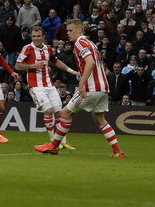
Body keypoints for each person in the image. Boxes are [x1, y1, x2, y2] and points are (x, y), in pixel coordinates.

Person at [34, 19, 125, 157]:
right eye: (67, 31)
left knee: (65, 113)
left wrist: (81, 83)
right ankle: (118, 151)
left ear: (79, 30)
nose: (68, 33)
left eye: (70, 30)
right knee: (99, 118)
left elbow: (90, 62)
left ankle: (53, 146)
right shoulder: (91, 44)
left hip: (91, 87)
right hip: (103, 87)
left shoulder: (80, 43)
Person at [15, 26, 79, 148]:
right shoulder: (27, 48)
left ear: (43, 37)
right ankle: (53, 141)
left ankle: (63, 142)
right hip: (36, 86)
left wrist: (72, 71)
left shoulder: (48, 49)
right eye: (34, 36)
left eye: (39, 36)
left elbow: (56, 62)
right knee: (48, 111)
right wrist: (33, 66)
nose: (36, 39)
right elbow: (17, 66)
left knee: (59, 113)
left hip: (49, 85)